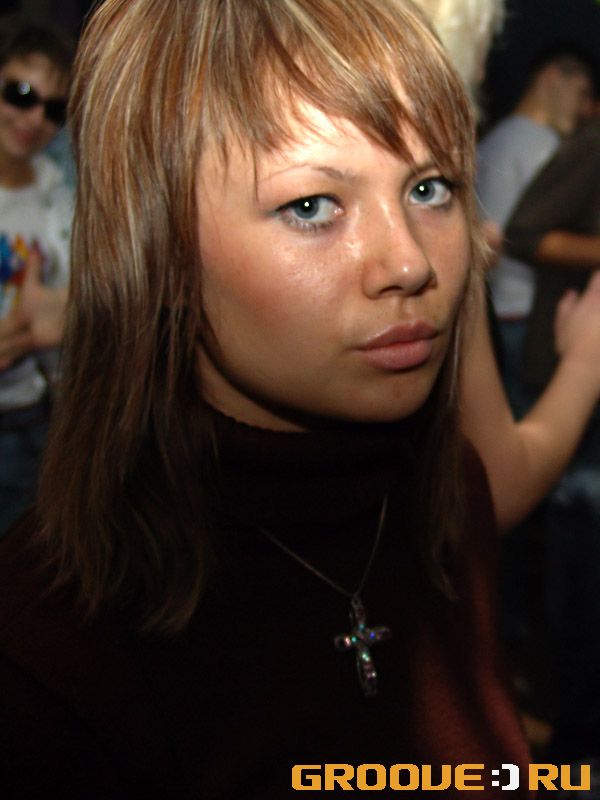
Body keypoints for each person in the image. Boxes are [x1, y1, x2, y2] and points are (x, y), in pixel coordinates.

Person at [0, 0, 532, 797]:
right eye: (311, 206)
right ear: (159, 249)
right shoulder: (47, 649)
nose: (409, 263)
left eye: (429, 188)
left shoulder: (452, 491)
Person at [505, 117, 600, 766]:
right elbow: (524, 232)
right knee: (583, 557)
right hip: (578, 377)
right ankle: (573, 736)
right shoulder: (593, 144)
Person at [0, 14, 73, 535]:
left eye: (53, 109)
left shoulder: (57, 194)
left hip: (32, 417)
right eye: (21, 94)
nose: (34, 118)